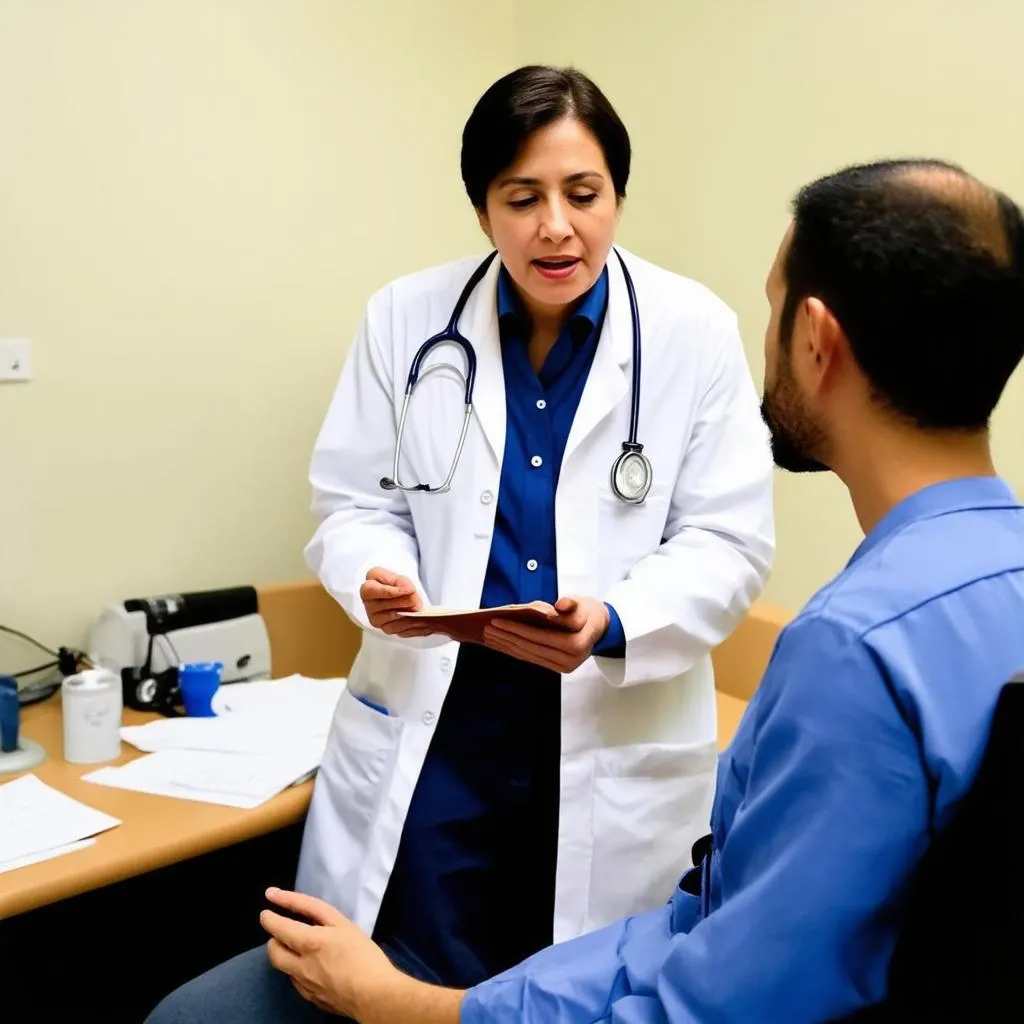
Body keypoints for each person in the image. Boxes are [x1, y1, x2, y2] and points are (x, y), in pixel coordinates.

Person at [156, 158, 1024, 1022]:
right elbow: (709, 937)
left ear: (817, 342)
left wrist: (415, 1010)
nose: (555, 224)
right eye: (522, 198)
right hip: (455, 811)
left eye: (774, 311)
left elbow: (714, 1004)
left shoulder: (849, 650)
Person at [145, 65, 773, 1021]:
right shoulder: (406, 317)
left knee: (568, 993)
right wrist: (374, 579)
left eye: (583, 194)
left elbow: (727, 543)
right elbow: (351, 503)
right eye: (522, 198)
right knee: (408, 991)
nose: (555, 226)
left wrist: (615, 618)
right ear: (483, 210)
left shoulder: (695, 333)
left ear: (618, 197)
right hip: (441, 753)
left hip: (608, 743)